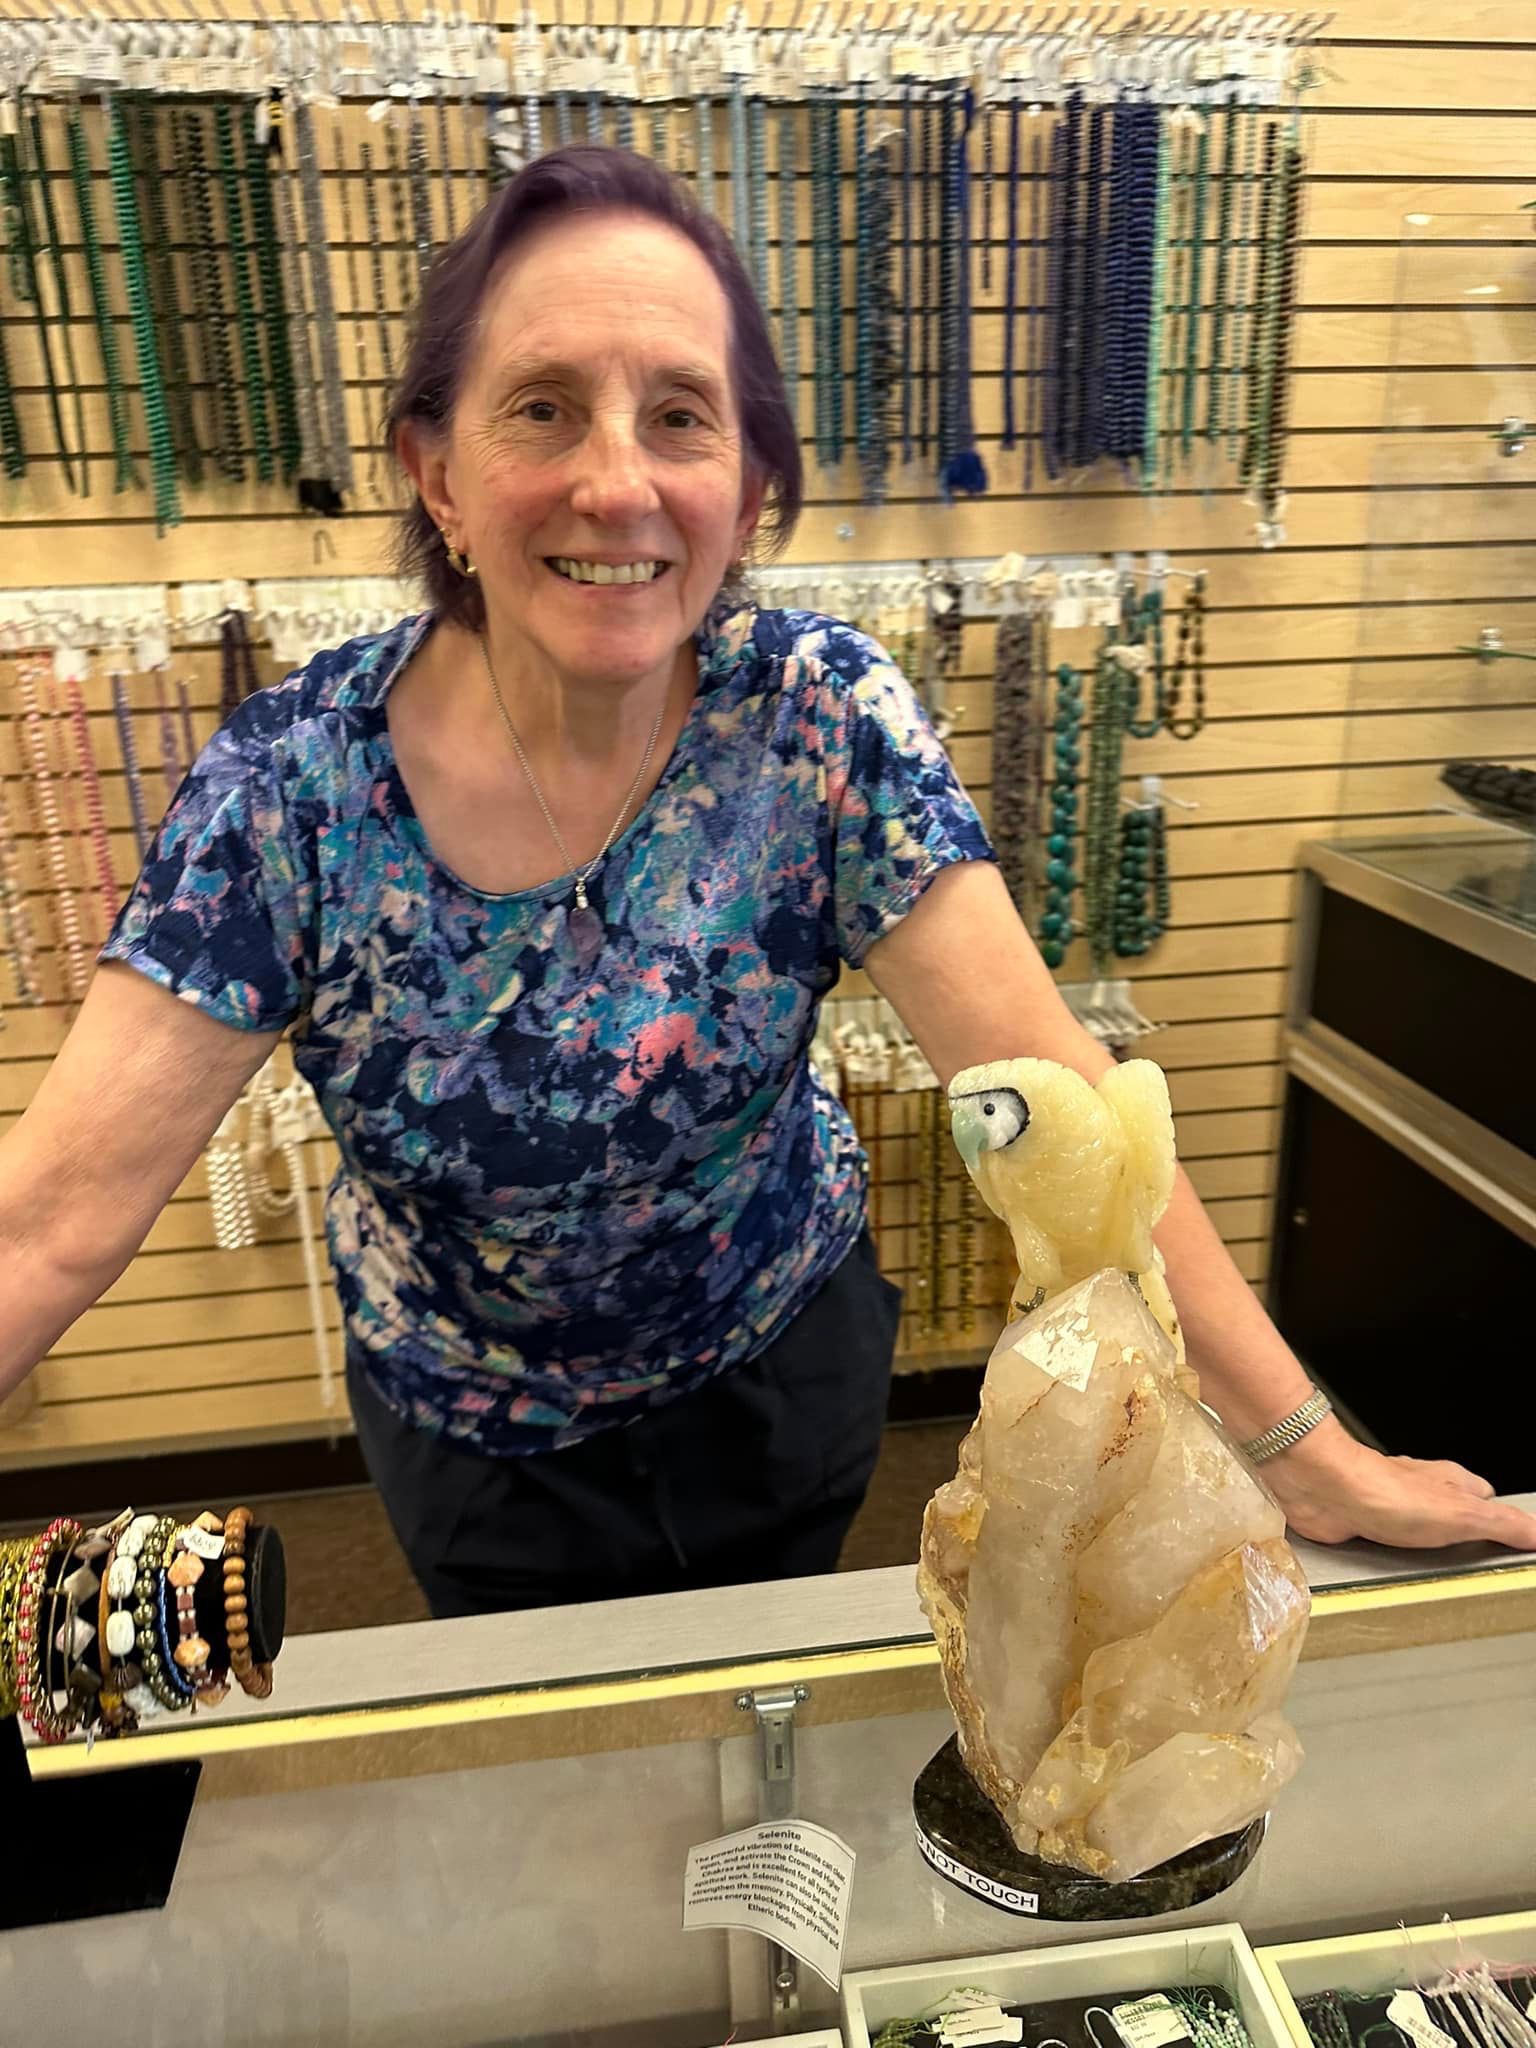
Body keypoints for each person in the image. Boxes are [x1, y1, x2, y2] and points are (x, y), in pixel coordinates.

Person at [1, 149, 1530, 1618]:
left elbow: (1063, 1105)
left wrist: (1308, 1453)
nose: (618, 482)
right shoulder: (294, 787)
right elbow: (51, 1220)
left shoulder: (815, 719)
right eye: (542, 409)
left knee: (778, 1714)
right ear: (438, 476)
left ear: (747, 493)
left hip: (784, 1371)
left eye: (680, 417)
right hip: (474, 1443)